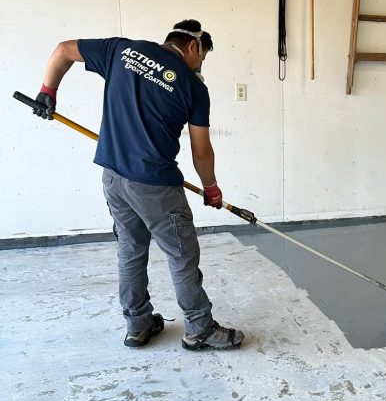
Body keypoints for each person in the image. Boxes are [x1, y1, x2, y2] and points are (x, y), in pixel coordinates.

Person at [33, 19, 245, 351]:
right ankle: (199, 328)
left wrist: (48, 91)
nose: (200, 66)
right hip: (156, 186)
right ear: (192, 47)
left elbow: (63, 51)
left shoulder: (121, 50)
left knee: (130, 251)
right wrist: (211, 187)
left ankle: (138, 324)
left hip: (113, 176)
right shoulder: (193, 88)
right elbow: (201, 150)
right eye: (201, 58)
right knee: (181, 254)